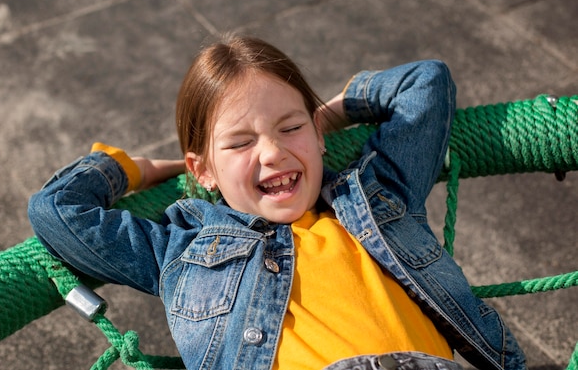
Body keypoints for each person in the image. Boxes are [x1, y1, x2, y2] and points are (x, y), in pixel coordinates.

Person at [29, 35, 526, 370]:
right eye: (241, 143)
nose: (273, 152)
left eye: (290, 128)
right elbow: (57, 208)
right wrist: (139, 167)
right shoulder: (179, 251)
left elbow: (426, 82)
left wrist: (323, 116)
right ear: (204, 170)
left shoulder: (374, 196)